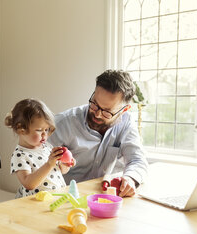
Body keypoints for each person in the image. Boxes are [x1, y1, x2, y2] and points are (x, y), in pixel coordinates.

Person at [48, 69, 148, 197]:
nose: (97, 113)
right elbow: (35, 166)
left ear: (125, 110)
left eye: (107, 111)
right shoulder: (62, 123)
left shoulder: (126, 122)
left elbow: (137, 160)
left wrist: (130, 179)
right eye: (94, 104)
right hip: (63, 198)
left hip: (100, 199)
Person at [5, 98, 75, 198]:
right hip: (37, 203)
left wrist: (65, 163)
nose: (44, 134)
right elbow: (29, 184)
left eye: (46, 129)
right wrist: (49, 164)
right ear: (21, 129)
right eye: (39, 130)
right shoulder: (20, 155)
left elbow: (61, 171)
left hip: (57, 197)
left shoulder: (47, 147)